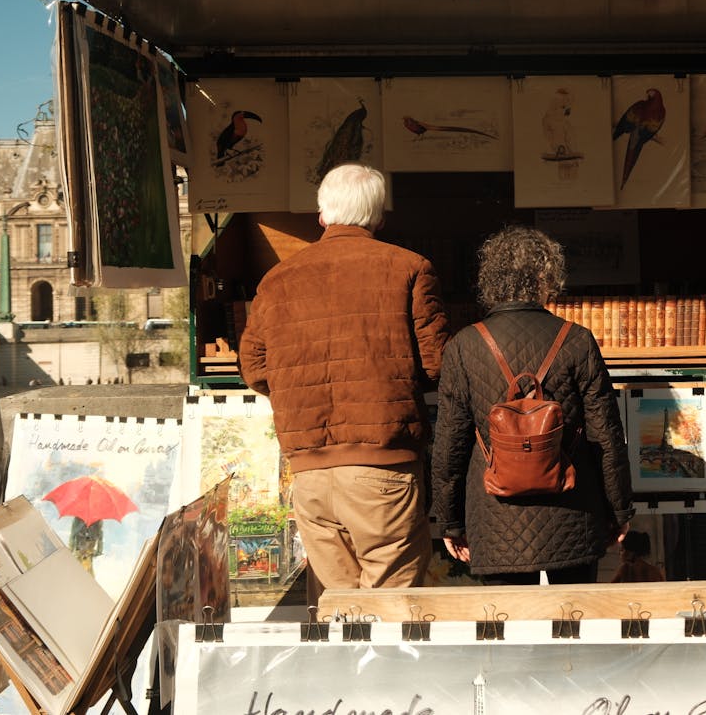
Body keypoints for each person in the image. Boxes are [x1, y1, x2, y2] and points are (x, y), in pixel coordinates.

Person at [240, 162, 449, 590]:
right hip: (383, 467)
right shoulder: (409, 268)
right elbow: (437, 364)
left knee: (339, 611)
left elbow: (256, 369)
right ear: (378, 217)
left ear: (322, 216)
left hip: (309, 472)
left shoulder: (277, 280)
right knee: (393, 607)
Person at [431, 226, 634, 585]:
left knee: (509, 632)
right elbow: (606, 437)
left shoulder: (465, 345)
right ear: (546, 277)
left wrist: (450, 521)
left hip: (495, 520)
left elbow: (451, 443)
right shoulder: (577, 340)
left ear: (491, 278)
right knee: (572, 629)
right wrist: (618, 509)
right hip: (572, 514)